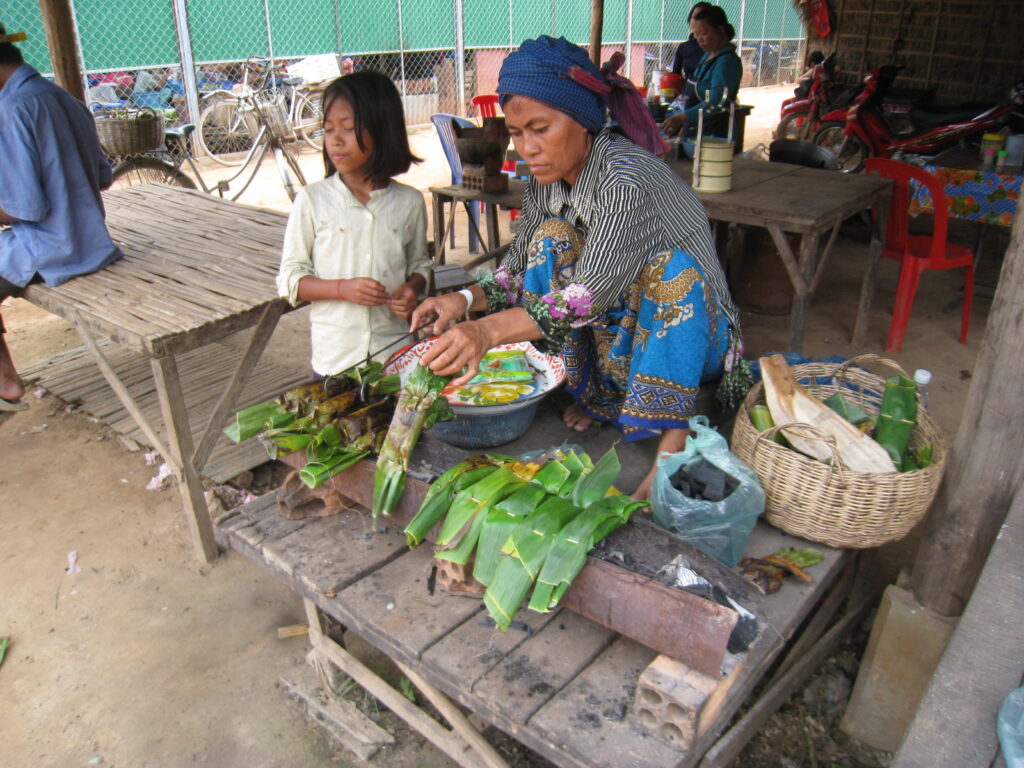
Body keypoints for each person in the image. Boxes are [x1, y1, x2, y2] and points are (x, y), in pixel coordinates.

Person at [410, 36, 743, 500]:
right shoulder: (546, 179)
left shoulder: (626, 179)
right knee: (551, 239)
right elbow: (516, 270)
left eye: (540, 129)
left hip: (696, 335)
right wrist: (462, 300)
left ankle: (671, 449)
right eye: (517, 132)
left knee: (672, 272)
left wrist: (485, 331)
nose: (526, 147)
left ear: (583, 121)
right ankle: (599, 398)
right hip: (628, 318)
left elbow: (587, 297)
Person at [276, 70, 431, 379]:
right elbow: (291, 280)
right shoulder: (312, 200)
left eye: (348, 128)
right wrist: (341, 289)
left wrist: (412, 289)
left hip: (394, 358)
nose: (335, 140)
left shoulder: (409, 202)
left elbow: (420, 264)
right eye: (328, 129)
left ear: (382, 130)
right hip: (335, 362)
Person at [0, 25, 122, 411]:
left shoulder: (13, 109)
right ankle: (5, 381)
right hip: (92, 241)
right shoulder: (64, 97)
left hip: (51, 249)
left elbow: (26, 209)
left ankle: (6, 381)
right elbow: (103, 179)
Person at [661, 5, 742, 138]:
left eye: (704, 33)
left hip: (716, 135)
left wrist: (682, 117)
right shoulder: (708, 55)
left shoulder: (726, 62)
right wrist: (684, 127)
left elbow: (716, 102)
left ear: (720, 30)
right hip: (698, 131)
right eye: (696, 34)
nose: (699, 39)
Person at [670, 2, 713, 80]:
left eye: (701, 17)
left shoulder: (714, 48)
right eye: (694, 17)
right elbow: (675, 75)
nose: (697, 21)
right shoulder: (683, 47)